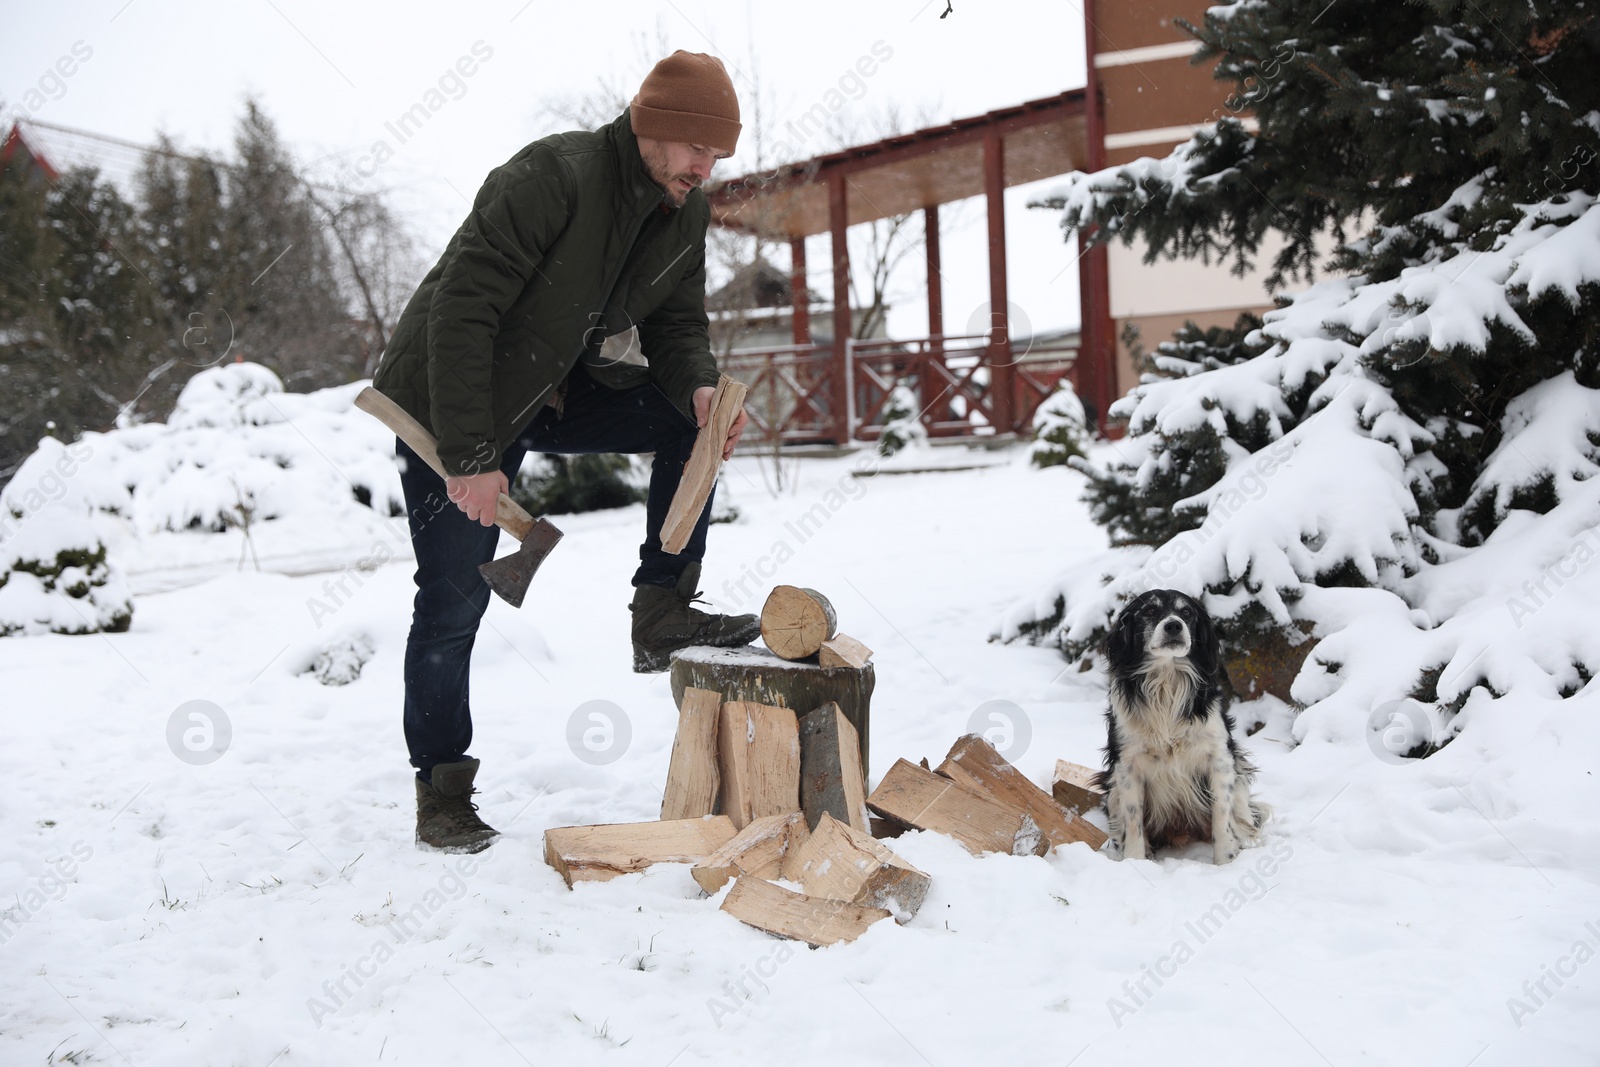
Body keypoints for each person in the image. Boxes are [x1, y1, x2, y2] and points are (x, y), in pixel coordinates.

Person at [372, 51, 761, 853]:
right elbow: (462, 309)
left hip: (544, 388)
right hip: (451, 397)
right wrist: (472, 454)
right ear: (656, 126)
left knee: (696, 421)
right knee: (453, 600)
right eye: (698, 147)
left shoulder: (682, 212)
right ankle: (441, 785)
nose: (706, 165)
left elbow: (680, 324)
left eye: (718, 154)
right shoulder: (554, 175)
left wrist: (696, 388)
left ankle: (660, 608)